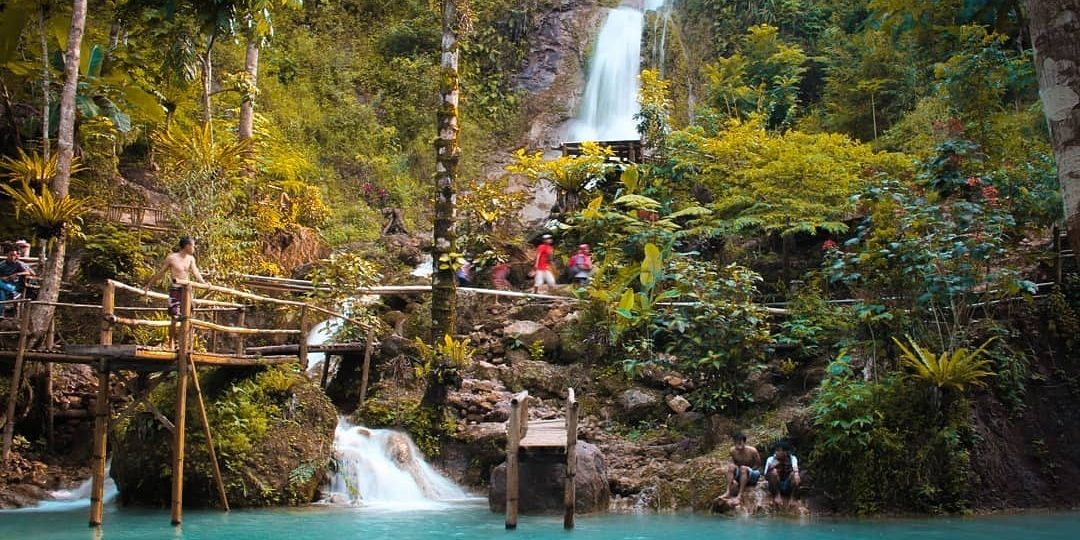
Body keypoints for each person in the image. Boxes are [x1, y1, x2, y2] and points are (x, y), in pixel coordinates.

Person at [144, 237, 206, 347]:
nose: (194, 248)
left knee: (187, 316)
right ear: (187, 246)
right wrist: (149, 285)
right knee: (174, 317)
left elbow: (196, 272)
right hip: (176, 290)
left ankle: (183, 342)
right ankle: (171, 341)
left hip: (187, 290)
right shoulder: (172, 258)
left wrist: (204, 283)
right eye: (193, 246)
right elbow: (161, 272)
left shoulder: (191, 259)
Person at [720, 432, 762, 505]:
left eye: (740, 443)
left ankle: (740, 496)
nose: (738, 445)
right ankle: (728, 492)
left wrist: (748, 470)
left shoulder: (752, 451)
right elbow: (734, 463)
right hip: (741, 474)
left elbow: (758, 464)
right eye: (736, 443)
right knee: (731, 467)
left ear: (744, 442)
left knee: (743, 468)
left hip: (753, 474)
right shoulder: (732, 451)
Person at [763, 440, 801, 506]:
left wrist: (796, 474)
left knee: (794, 474)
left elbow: (795, 469)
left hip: (787, 484)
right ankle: (777, 495)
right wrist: (771, 468)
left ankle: (793, 497)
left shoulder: (792, 458)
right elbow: (766, 476)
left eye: (778, 451)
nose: (776, 452)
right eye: (776, 450)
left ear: (785, 452)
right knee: (773, 472)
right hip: (775, 485)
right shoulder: (771, 459)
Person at [0, 245, 35, 313]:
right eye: (11, 255)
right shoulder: (2, 265)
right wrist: (4, 278)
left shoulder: (18, 264)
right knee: (1, 293)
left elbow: (31, 273)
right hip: (4, 284)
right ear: (6, 255)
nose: (13, 257)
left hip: (15, 285)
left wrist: (17, 274)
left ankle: (14, 292)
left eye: (14, 255)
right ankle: (1, 314)